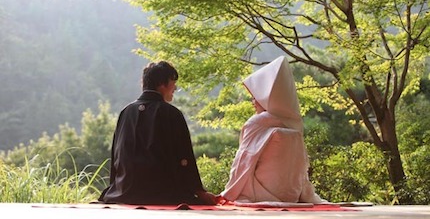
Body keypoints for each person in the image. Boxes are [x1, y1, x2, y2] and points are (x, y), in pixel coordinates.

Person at [99, 60, 217, 205]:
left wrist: (116, 187)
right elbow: (184, 158)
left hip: (124, 191)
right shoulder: (171, 113)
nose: (175, 87)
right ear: (162, 83)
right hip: (162, 193)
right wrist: (199, 191)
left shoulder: (126, 112)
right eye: (173, 82)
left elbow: (117, 156)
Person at [219, 56, 325, 204]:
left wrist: (228, 193)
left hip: (260, 194)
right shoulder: (294, 122)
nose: (253, 102)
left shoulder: (257, 122)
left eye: (255, 97)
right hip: (291, 195)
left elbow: (243, 161)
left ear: (267, 98)